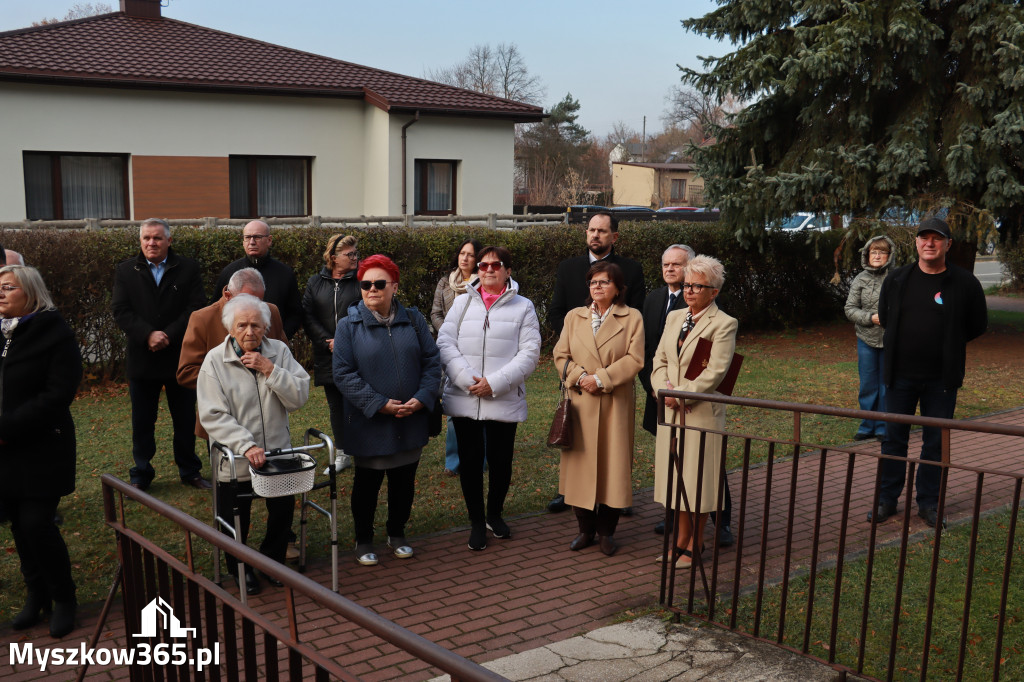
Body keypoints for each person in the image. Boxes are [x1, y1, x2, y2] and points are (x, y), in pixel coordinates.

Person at [871, 218, 987, 528]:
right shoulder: (897, 280)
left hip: (941, 380)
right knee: (893, 439)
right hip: (899, 376)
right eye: (925, 238)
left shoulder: (964, 283)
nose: (930, 243)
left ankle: (928, 503)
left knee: (935, 442)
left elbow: (978, 324)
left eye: (937, 238)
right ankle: (886, 500)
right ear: (917, 243)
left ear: (948, 244)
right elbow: (884, 316)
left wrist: (948, 342)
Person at [197, 294, 310, 595]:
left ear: (266, 327)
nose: (250, 332)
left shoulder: (280, 352)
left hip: (277, 452)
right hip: (235, 459)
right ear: (230, 328)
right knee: (237, 515)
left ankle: (270, 562)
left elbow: (299, 396)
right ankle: (239, 567)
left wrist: (269, 369)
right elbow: (213, 415)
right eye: (242, 325)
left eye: (257, 326)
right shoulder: (214, 361)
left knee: (283, 512)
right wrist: (245, 445)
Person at [333, 255, 442, 565]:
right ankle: (363, 539)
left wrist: (422, 398)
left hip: (410, 418)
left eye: (379, 284)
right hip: (370, 422)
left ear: (394, 286)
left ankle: (397, 533)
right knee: (366, 485)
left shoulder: (414, 319)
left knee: (403, 482)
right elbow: (342, 373)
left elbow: (432, 362)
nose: (372, 290)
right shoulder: (348, 326)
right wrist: (379, 404)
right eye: (366, 284)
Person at [437, 246, 541, 550]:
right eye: (483, 265)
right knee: (469, 463)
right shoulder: (461, 304)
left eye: (496, 265)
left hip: (503, 397)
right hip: (464, 395)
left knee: (500, 461)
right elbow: (445, 342)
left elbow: (530, 354)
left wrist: (493, 384)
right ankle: (475, 522)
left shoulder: (524, 307)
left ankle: (494, 514)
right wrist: (467, 380)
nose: (488, 269)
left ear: (508, 271)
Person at [0, 265, 82, 637]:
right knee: (18, 524)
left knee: (37, 522)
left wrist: (9, 427)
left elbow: (58, 393)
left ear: (30, 292)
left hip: (42, 445)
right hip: (4, 451)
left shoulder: (55, 332)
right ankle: (37, 595)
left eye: (7, 288)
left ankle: (64, 597)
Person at [547, 212, 645, 513]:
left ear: (614, 236)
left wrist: (602, 376)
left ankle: (614, 497)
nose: (595, 235)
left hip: (613, 378)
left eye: (602, 231)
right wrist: (580, 369)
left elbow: (634, 321)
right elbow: (556, 312)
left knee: (613, 445)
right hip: (578, 375)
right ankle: (573, 494)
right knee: (579, 443)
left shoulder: (631, 269)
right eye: (591, 230)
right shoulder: (569, 268)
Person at [642, 245, 735, 544]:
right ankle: (682, 543)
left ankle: (691, 545)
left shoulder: (723, 324)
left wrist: (679, 395)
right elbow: (659, 360)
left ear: (714, 292)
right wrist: (662, 390)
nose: (690, 291)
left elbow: (715, 373)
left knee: (698, 484)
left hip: (700, 415)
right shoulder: (675, 317)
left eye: (698, 286)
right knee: (677, 483)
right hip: (669, 411)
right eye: (687, 285)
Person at [552, 262, 643, 556]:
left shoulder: (632, 318)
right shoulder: (573, 317)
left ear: (617, 288)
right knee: (580, 468)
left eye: (604, 282)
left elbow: (635, 359)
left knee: (612, 468)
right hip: (580, 402)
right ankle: (585, 529)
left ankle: (606, 532)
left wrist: (601, 379)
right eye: (593, 282)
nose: (597, 287)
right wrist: (580, 377)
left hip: (614, 403)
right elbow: (560, 354)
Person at [112, 218, 210, 491]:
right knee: (142, 421)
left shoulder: (188, 268)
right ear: (140, 241)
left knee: (185, 419)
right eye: (146, 238)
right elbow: (121, 310)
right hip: (142, 358)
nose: (151, 243)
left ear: (169, 241)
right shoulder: (126, 270)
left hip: (179, 357)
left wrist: (168, 334)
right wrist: (148, 335)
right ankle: (141, 474)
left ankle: (190, 471)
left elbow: (196, 306)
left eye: (157, 238)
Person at [177, 267, 287, 439]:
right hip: (225, 417)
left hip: (268, 419)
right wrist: (232, 380)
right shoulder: (203, 319)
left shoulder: (270, 311)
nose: (256, 307)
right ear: (228, 295)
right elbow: (186, 372)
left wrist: (271, 372)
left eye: (260, 301)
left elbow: (283, 358)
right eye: (247, 300)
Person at [302, 234, 362, 472]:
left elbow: (367, 310)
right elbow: (307, 315)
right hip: (328, 355)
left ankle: (365, 448)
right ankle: (343, 453)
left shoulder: (362, 281)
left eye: (356, 253)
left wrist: (346, 339)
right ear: (334, 258)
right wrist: (327, 341)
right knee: (336, 406)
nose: (355, 258)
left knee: (358, 403)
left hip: (358, 352)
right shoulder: (315, 283)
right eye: (350, 254)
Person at [430, 238, 481, 476]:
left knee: (480, 404)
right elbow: (436, 313)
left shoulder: (483, 284)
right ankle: (453, 462)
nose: (465, 258)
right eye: (462, 253)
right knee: (454, 404)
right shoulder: (445, 283)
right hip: (450, 349)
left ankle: (479, 459)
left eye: (471, 255)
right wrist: (449, 333)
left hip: (475, 348)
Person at [844, 235, 896, 441]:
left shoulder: (897, 278)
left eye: (881, 252)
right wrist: (870, 318)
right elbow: (850, 309)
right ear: (867, 255)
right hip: (866, 338)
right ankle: (867, 424)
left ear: (889, 256)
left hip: (891, 340)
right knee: (868, 384)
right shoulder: (861, 279)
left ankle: (883, 426)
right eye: (873, 252)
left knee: (886, 384)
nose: (877, 255)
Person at [214, 220, 303, 338]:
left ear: (269, 240)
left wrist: (281, 337)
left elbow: (295, 313)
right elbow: (217, 311)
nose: (252, 242)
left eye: (257, 237)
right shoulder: (230, 272)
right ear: (243, 241)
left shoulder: (285, 273)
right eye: (248, 237)